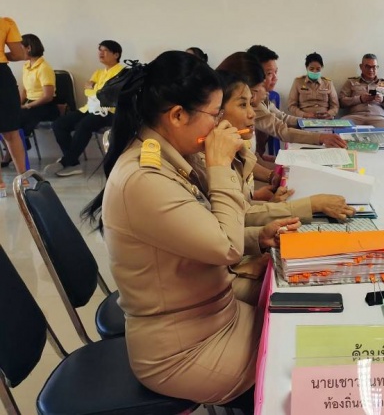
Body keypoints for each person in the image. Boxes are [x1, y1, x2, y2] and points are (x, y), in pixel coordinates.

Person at [82, 51, 298, 410]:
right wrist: (219, 165)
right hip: (182, 350)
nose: (219, 125)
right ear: (178, 115)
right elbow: (225, 247)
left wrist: (257, 238)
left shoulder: (167, 154)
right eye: (214, 115)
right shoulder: (143, 177)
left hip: (213, 316)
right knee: (297, 364)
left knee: (298, 323)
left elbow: (203, 229)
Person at [212, 71, 355, 229]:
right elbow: (238, 219)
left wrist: (269, 203)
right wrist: (312, 204)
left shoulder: (236, 146)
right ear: (217, 112)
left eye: (251, 104)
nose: (252, 114)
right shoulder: (213, 160)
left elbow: (243, 207)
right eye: (243, 105)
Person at [231, 48, 345, 150]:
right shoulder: (252, 103)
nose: (275, 78)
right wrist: (320, 137)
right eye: (269, 73)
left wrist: (310, 122)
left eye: (276, 72)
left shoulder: (264, 96)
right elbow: (282, 129)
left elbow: (282, 117)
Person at [45, 40, 125, 177]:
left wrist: (94, 87)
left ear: (116, 54)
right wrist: (97, 89)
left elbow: (110, 93)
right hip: (90, 108)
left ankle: (66, 162)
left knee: (84, 125)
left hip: (110, 111)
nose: (101, 53)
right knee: (59, 124)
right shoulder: (98, 72)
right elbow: (87, 91)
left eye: (105, 50)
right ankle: (73, 163)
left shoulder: (122, 72)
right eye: (100, 50)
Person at [0, 16, 27, 196]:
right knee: (11, 132)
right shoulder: (5, 23)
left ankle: (0, 185)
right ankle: (23, 180)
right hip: (1, 76)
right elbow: (19, 54)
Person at [338, 54, 384, 134]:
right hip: (355, 117)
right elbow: (341, 102)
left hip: (378, 118)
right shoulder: (351, 82)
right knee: (339, 128)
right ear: (361, 67)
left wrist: (383, 99)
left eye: (374, 67)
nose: (371, 70)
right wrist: (360, 99)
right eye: (367, 67)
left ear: (377, 67)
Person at [19, 34, 59, 144]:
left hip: (45, 106)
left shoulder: (44, 67)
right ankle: (20, 146)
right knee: (9, 116)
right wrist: (18, 105)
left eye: (20, 48)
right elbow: (25, 90)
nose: (17, 51)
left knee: (18, 119)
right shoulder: (26, 66)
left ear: (29, 48)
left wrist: (27, 106)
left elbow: (48, 97)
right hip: (31, 104)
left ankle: (18, 148)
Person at [287, 52, 339, 120]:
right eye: (311, 69)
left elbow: (335, 106)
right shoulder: (298, 82)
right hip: (304, 119)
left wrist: (328, 113)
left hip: (325, 119)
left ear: (322, 68)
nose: (315, 71)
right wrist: (304, 115)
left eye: (318, 69)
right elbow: (291, 106)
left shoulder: (328, 83)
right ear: (306, 68)